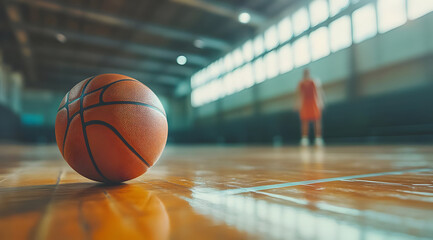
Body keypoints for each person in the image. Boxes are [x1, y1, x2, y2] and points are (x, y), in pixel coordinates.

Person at [296, 69, 324, 146]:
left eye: (307, 73)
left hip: (313, 103)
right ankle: (304, 139)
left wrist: (320, 102)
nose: (306, 74)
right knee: (304, 122)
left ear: (309, 73)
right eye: (305, 73)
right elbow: (299, 94)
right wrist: (298, 103)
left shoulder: (314, 81)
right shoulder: (301, 83)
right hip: (305, 104)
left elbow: (318, 92)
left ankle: (318, 138)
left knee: (316, 121)